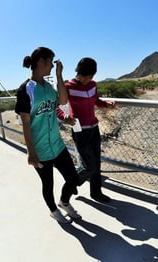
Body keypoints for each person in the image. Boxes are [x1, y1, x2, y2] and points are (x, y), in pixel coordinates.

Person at [15, 47, 81, 223]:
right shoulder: (26, 90)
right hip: (40, 150)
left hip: (58, 146)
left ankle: (64, 202)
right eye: (50, 62)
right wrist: (31, 152)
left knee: (73, 179)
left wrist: (59, 77)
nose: (52, 66)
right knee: (48, 184)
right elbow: (26, 124)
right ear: (41, 62)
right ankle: (53, 210)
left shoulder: (48, 86)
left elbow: (61, 102)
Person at [57, 57, 115, 203]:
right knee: (90, 165)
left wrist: (106, 104)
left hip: (94, 129)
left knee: (97, 164)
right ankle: (73, 183)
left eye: (91, 77)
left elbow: (96, 101)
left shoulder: (93, 85)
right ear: (78, 73)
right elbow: (57, 106)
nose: (88, 80)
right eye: (85, 76)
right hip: (79, 131)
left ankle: (96, 193)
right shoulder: (68, 87)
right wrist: (65, 117)